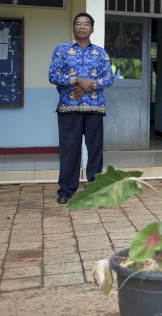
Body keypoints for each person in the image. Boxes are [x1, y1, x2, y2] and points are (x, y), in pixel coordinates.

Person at [48, 12, 115, 205]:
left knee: (95, 149)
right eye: (78, 24)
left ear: (92, 29)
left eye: (86, 24)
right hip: (69, 108)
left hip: (94, 108)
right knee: (69, 150)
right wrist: (76, 80)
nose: (82, 27)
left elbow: (109, 78)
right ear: (73, 28)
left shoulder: (101, 53)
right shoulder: (61, 51)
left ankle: (95, 189)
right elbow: (53, 75)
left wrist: (90, 85)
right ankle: (66, 190)